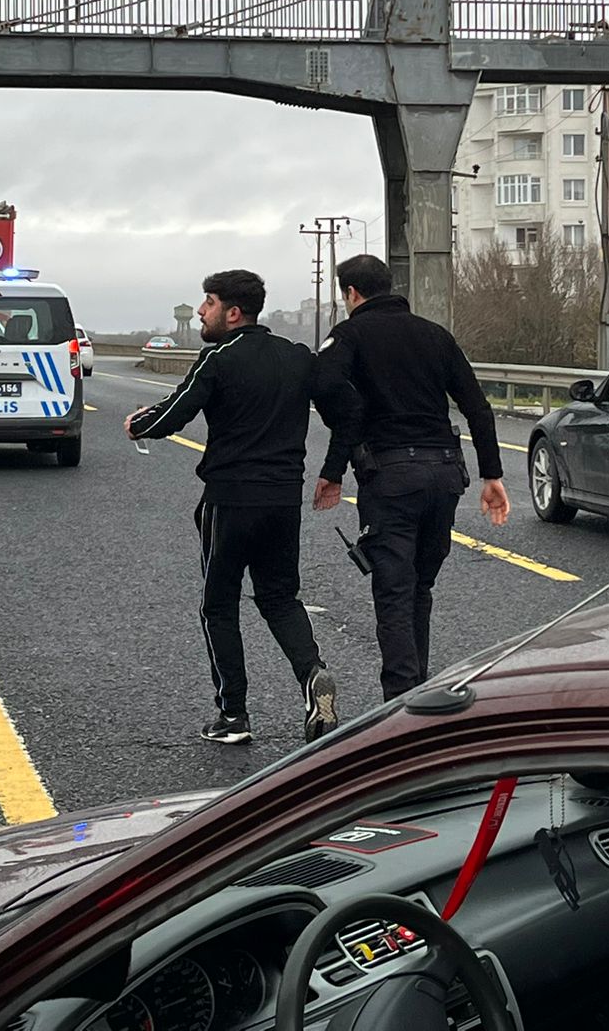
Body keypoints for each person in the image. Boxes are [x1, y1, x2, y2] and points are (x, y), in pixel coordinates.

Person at [126, 269, 344, 745]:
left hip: (230, 500)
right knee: (280, 598)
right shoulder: (297, 357)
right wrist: (333, 468)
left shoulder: (217, 358)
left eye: (207, 303)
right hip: (283, 499)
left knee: (218, 605)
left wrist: (139, 425)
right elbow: (347, 410)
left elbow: (176, 412)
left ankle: (233, 717)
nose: (201, 312)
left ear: (233, 312)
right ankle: (312, 675)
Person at [310, 255, 510, 699]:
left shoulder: (349, 335)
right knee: (420, 586)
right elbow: (477, 406)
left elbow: (324, 387)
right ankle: (417, 693)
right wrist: (491, 474)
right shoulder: (435, 334)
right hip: (444, 475)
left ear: (351, 294)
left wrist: (335, 465)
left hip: (391, 476)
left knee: (394, 592)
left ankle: (400, 707)